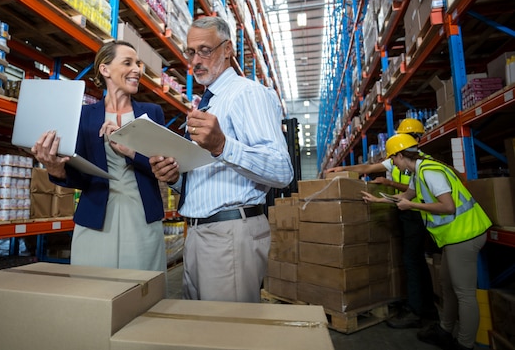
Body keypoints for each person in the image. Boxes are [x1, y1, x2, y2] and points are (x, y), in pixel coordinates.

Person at [149, 16, 294, 303]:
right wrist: (175, 177)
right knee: (204, 333)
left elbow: (282, 170)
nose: (196, 60)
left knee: (230, 335)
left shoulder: (248, 94)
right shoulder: (209, 103)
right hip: (198, 233)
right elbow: (207, 178)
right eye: (191, 52)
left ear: (228, 50)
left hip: (230, 234)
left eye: (205, 50)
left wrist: (223, 146)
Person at [31, 40, 167, 273]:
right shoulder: (84, 116)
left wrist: (130, 150)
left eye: (138, 64)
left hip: (142, 219)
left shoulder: (152, 113)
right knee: (92, 292)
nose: (137, 69)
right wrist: (55, 169)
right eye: (128, 63)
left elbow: (164, 169)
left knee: (143, 290)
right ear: (105, 69)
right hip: (95, 219)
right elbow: (81, 177)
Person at [361, 134, 492, 350]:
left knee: (464, 293)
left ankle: (465, 344)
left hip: (466, 234)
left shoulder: (430, 172)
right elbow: (408, 196)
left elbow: (448, 206)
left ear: (401, 155)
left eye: (392, 159)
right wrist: (378, 200)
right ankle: (445, 330)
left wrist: (413, 207)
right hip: (453, 236)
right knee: (447, 286)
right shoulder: (418, 171)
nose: (392, 163)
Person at [326, 118, 438, 328]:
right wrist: (342, 169)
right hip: (400, 208)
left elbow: (413, 190)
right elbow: (368, 166)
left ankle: (418, 310)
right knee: (410, 260)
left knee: (413, 261)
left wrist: (388, 183)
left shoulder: (422, 162)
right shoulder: (399, 155)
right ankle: (417, 304)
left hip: (415, 213)